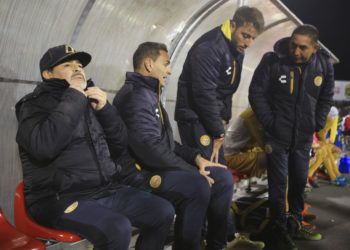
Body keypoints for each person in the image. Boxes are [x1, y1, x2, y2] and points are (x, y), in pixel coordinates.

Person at [15, 44, 175, 250]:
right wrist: (74, 95)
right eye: (67, 64)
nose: (77, 69)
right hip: (58, 197)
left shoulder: (90, 100)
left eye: (80, 64)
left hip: (104, 189)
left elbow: (119, 146)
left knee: (162, 211)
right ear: (47, 74)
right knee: (117, 228)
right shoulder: (32, 105)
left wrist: (105, 110)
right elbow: (43, 147)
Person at [113, 42, 236, 250]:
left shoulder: (150, 94)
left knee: (222, 177)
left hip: (154, 167)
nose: (169, 70)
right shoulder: (135, 97)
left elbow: (167, 144)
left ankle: (216, 245)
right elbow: (150, 150)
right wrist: (192, 171)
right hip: (137, 175)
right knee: (196, 185)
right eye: (166, 64)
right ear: (149, 64)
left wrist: (197, 158)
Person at [249, 24, 334, 249]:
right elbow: (256, 92)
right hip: (276, 137)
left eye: (303, 48)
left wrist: (316, 122)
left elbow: (326, 96)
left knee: (298, 182)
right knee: (279, 185)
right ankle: (277, 233)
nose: (296, 51)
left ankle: (294, 225)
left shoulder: (324, 64)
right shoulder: (273, 60)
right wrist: (271, 122)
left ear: (314, 48)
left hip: (303, 137)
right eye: (293, 45)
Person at [175, 6, 265, 164]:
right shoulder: (210, 47)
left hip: (211, 120)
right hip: (195, 118)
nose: (248, 43)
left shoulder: (236, 48)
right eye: (245, 36)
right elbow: (204, 94)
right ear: (233, 25)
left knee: (216, 172)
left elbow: (226, 90)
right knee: (211, 173)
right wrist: (218, 131)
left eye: (253, 38)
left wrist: (224, 119)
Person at [224, 107, 266, 179]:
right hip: (230, 157)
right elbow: (262, 142)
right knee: (269, 156)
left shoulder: (254, 112)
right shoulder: (250, 115)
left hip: (236, 152)